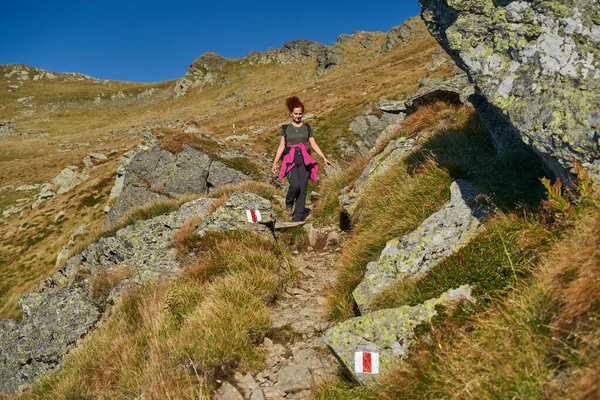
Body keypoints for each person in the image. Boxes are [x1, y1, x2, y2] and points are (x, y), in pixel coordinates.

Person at [272, 96, 332, 221]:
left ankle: (298, 216)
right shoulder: (285, 128)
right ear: (290, 114)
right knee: (295, 185)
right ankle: (289, 202)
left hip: (304, 158)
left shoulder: (307, 127)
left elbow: (313, 144)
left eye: (300, 114)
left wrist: (324, 158)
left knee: (303, 188)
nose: (298, 116)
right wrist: (275, 162)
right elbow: (281, 146)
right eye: (295, 114)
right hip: (290, 158)